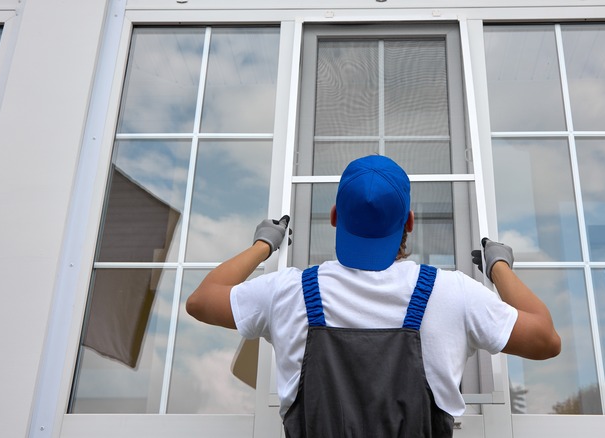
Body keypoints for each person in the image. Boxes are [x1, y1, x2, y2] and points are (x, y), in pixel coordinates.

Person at [186, 155, 560, 437]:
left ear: (334, 216)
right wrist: (498, 268)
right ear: (408, 222)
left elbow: (201, 299)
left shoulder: (288, 291)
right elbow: (546, 339)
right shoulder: (452, 294)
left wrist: (263, 246)